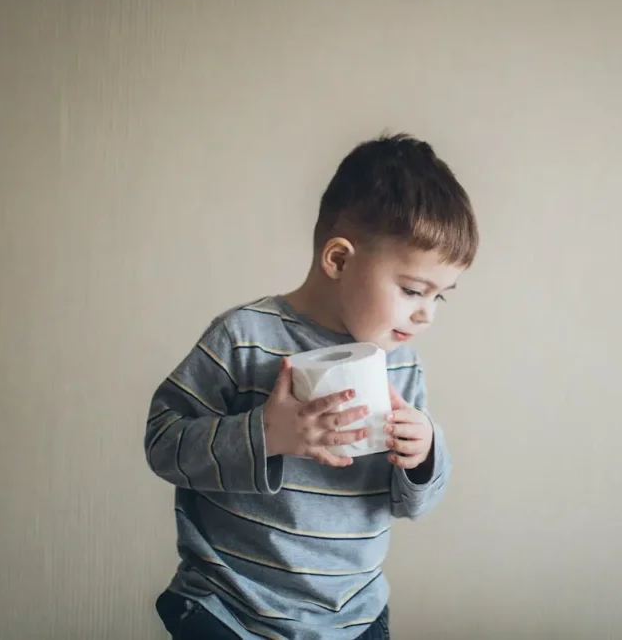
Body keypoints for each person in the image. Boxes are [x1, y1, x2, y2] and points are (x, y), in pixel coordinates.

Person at [144, 133, 479, 639]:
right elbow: (163, 443)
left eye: (440, 298)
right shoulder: (244, 338)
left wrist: (425, 454)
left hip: (352, 617)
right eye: (413, 290)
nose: (425, 314)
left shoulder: (400, 365)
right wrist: (266, 435)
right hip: (229, 609)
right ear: (340, 260)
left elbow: (412, 503)